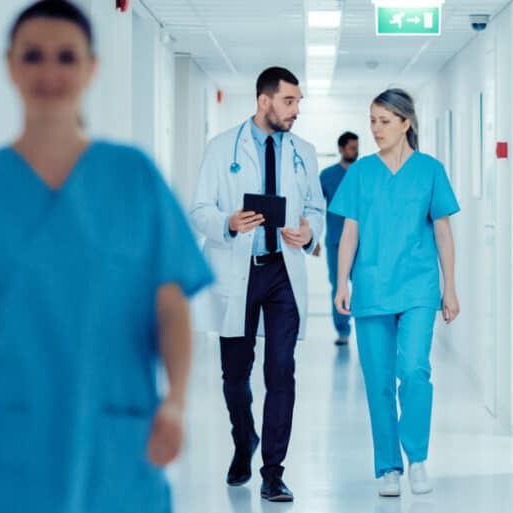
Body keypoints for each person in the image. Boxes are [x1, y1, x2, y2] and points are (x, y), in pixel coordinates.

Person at [0, 2, 213, 513]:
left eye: (66, 57)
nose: (50, 73)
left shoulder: (134, 178)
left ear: (92, 67)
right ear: (10, 66)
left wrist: (175, 402)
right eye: (34, 56)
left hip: (110, 439)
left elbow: (171, 305)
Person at [190, 66, 324, 502]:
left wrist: (309, 233)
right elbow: (199, 211)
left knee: (281, 371)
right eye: (290, 101)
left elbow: (316, 210)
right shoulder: (221, 148)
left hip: (283, 272)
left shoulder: (304, 151)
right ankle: (244, 440)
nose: (296, 110)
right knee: (235, 376)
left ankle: (272, 471)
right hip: (238, 269)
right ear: (264, 100)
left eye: (299, 102)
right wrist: (227, 223)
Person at [330, 89, 460, 497]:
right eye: (372, 121)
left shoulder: (430, 170)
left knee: (415, 371)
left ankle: (416, 457)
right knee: (379, 381)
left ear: (406, 123)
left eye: (384, 121)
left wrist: (450, 288)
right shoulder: (361, 173)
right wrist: (341, 282)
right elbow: (349, 232)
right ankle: (388, 466)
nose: (375, 130)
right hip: (371, 288)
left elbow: (443, 231)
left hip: (419, 287)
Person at [319, 131, 360, 345]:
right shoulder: (327, 176)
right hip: (335, 241)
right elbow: (315, 209)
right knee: (338, 285)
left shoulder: (365, 173)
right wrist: (313, 239)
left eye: (357, 147)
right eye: (352, 148)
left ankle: (365, 328)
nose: (356, 151)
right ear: (342, 149)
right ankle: (342, 330)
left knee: (363, 284)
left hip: (363, 242)